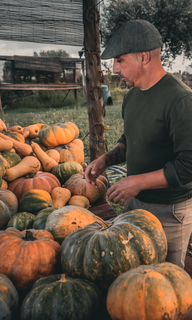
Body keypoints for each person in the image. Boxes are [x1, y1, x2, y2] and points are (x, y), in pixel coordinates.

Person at [85, 19, 192, 269]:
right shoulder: (131, 96)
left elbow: (188, 166)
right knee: (135, 274)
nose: (114, 69)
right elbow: (130, 139)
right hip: (135, 204)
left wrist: (137, 181)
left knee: (166, 282)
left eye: (120, 60)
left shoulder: (181, 100)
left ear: (144, 57)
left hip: (170, 211)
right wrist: (105, 159)